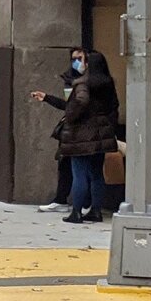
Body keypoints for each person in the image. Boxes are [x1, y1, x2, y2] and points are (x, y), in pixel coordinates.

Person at [33, 49, 121, 225]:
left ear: (89, 64)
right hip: (101, 135)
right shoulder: (107, 84)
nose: (80, 64)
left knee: (79, 173)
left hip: (81, 135)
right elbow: (114, 106)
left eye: (83, 61)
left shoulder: (82, 84)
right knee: (97, 174)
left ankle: (77, 212)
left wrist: (71, 115)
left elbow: (78, 103)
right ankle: (95, 210)